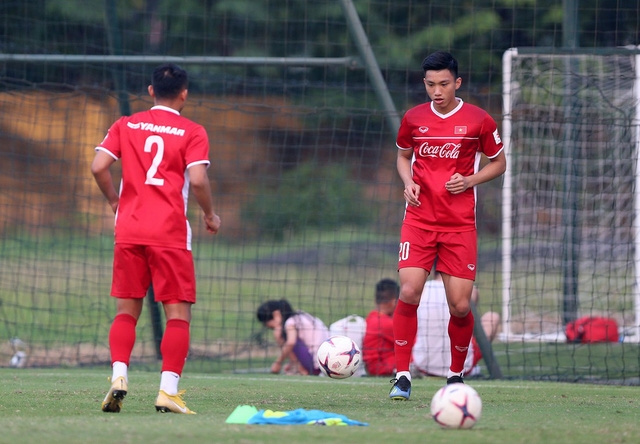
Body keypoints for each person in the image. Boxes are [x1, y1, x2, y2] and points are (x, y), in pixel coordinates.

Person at [91, 63, 221, 414]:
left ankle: (119, 375)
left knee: (126, 311)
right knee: (178, 315)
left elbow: (98, 166)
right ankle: (168, 391)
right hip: (169, 232)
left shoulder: (125, 124)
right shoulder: (192, 131)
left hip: (129, 230)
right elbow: (196, 180)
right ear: (184, 94)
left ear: (150, 92)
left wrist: (115, 203)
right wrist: (209, 215)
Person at [389, 51, 506, 401]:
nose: (436, 91)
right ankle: (402, 375)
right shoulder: (413, 118)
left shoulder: (479, 121)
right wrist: (408, 182)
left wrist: (470, 180)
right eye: (430, 85)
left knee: (460, 305)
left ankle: (456, 376)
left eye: (443, 84)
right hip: (419, 220)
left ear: (457, 82)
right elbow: (402, 156)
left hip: (458, 225)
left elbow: (499, 163)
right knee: (409, 291)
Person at [413, 271, 500, 378]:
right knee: (492, 317)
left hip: (423, 364)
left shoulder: (421, 288)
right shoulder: (470, 289)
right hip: (464, 366)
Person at [256, 299, 330, 375]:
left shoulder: (290, 322)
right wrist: (291, 362)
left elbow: (291, 342)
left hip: (316, 365)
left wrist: (278, 362)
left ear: (276, 315)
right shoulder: (300, 315)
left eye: (266, 322)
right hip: (327, 359)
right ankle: (297, 367)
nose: (267, 326)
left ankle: (302, 370)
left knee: (281, 336)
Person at [362, 278, 400, 376]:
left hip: (374, 368)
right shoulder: (388, 324)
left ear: (376, 300)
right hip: (383, 368)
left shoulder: (370, 318)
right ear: (394, 301)